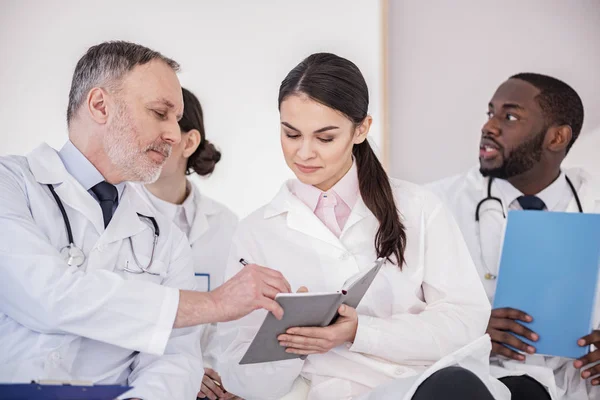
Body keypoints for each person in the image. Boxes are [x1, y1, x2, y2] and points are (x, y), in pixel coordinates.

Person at [0, 41, 290, 400]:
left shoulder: (164, 237)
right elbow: (48, 296)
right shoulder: (11, 185)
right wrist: (214, 303)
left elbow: (176, 356)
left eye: (176, 118)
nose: (173, 133)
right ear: (100, 106)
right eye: (159, 113)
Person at [216, 53, 509, 400]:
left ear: (361, 129)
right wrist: (289, 342)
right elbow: (237, 373)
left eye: (325, 138)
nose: (304, 153)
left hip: (422, 388)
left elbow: (466, 322)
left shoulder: (418, 207)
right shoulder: (256, 232)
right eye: (291, 134)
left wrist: (361, 332)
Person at [428, 73, 600, 400]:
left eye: (508, 117)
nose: (488, 127)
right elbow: (401, 311)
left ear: (557, 137)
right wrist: (471, 330)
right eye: (490, 113)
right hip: (478, 380)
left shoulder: (593, 203)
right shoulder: (437, 204)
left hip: (578, 384)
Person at [135, 87, 239, 399]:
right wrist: (183, 375)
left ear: (189, 142)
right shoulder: (118, 218)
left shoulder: (227, 225)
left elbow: (232, 325)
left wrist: (212, 371)